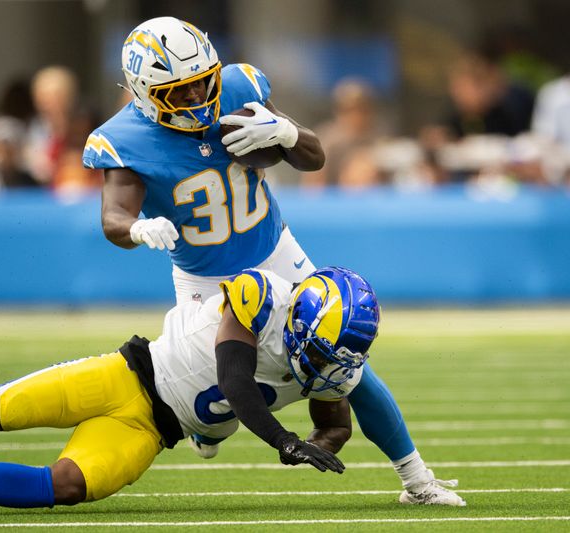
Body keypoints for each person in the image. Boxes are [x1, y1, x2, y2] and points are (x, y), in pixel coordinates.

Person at [82, 16, 451, 504]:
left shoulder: (237, 87)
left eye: (202, 84)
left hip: (277, 253)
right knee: (225, 398)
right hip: (205, 282)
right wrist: (136, 228)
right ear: (145, 93)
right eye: (180, 93)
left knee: (349, 361)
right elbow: (113, 216)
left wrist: (285, 132)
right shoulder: (124, 138)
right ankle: (209, 432)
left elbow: (313, 158)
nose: (197, 99)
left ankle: (418, 482)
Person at [0, 267, 464, 515]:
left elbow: (358, 407)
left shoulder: (335, 359)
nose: (326, 368)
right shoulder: (260, 295)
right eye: (319, 353)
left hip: (152, 431)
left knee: (69, 484)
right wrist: (285, 438)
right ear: (302, 319)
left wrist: (412, 475)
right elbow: (233, 378)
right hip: (128, 375)